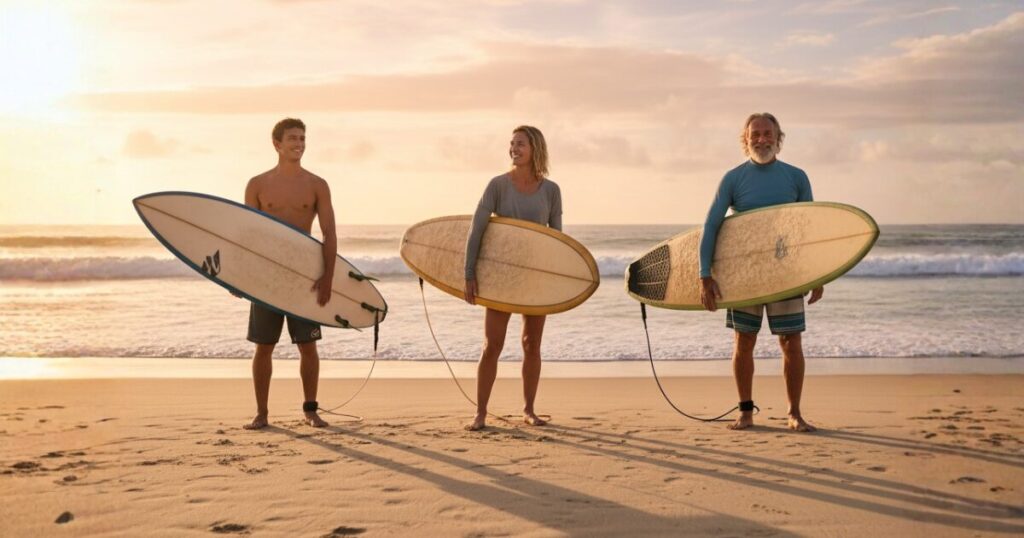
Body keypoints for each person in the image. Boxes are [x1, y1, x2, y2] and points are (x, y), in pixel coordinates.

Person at [699, 113, 821, 432]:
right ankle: (745, 412)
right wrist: (704, 275)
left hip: (787, 273)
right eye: (755, 134)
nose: (761, 139)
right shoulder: (733, 178)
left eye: (768, 133)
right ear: (746, 137)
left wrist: (818, 275)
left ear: (778, 136)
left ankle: (794, 413)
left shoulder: (796, 177)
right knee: (744, 341)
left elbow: (809, 230)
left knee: (791, 342)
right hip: (745, 273)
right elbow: (711, 226)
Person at [463, 125, 563, 431]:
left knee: (532, 345)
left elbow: (557, 240)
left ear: (535, 148)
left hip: (534, 280)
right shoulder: (497, 186)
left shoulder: (551, 191)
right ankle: (480, 413)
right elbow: (476, 231)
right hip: (501, 278)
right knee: (492, 345)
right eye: (511, 144)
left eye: (520, 144)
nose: (513, 149)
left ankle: (529, 410)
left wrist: (557, 281)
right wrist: (469, 274)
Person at [241, 118, 336, 430]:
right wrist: (239, 276)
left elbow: (330, 235)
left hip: (304, 276)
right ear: (277, 144)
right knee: (263, 346)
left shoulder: (317, 185)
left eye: (303, 138)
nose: (299, 143)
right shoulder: (257, 184)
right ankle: (261, 413)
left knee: (307, 346)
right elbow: (247, 236)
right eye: (293, 138)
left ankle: (310, 409)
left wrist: (328, 278)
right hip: (267, 278)